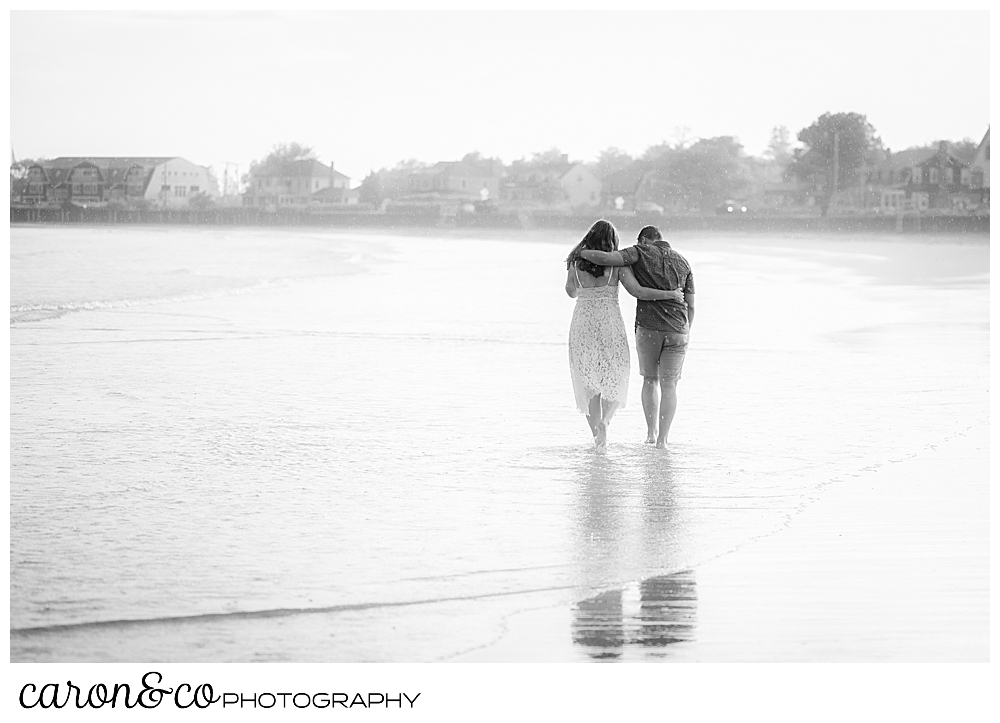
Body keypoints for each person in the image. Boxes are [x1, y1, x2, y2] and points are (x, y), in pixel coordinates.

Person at [566, 220, 683, 452]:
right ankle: (606, 422)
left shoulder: (576, 262)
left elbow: (571, 292)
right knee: (616, 373)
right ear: (612, 242)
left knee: (587, 377)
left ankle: (597, 435)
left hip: (583, 321)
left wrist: (585, 286)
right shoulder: (617, 265)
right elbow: (637, 291)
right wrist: (670, 293)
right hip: (610, 320)